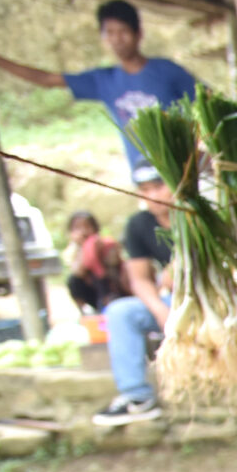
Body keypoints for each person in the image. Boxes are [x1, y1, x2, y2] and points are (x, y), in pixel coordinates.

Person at [0, 1, 197, 183]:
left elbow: (203, 104)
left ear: (139, 34)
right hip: (145, 179)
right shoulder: (104, 80)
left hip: (187, 171)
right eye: (109, 33)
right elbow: (47, 79)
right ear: (103, 38)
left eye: (123, 31)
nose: (117, 39)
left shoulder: (167, 71)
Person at [94, 168, 172, 427]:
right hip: (173, 303)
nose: (153, 195)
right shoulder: (139, 224)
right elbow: (139, 279)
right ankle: (137, 397)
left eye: (159, 186)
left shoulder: (203, 215)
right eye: (145, 190)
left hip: (216, 299)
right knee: (120, 312)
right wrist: (160, 310)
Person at [60, 210, 124, 313]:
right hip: (92, 293)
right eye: (78, 228)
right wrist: (84, 248)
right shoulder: (73, 250)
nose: (83, 231)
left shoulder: (107, 244)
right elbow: (78, 272)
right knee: (73, 280)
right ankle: (86, 313)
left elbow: (112, 267)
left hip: (112, 289)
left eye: (87, 226)